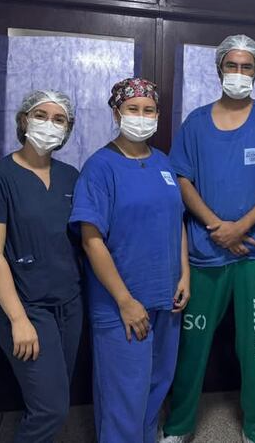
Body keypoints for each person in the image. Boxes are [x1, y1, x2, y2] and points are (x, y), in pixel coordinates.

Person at [162, 34, 255, 443]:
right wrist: (217, 227)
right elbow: (182, 180)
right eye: (232, 65)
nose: (239, 73)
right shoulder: (195, 124)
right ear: (219, 68)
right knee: (193, 344)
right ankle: (178, 425)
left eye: (246, 66)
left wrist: (240, 228)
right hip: (205, 252)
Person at [70, 78, 189, 443]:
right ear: (116, 113)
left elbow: (177, 221)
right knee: (124, 395)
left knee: (156, 385)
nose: (141, 116)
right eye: (133, 109)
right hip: (121, 303)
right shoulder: (100, 167)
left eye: (148, 110)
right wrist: (124, 300)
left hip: (166, 298)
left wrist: (184, 274)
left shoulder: (163, 163)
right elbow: (91, 240)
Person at [0, 89, 83, 442]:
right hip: (25, 306)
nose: (49, 124)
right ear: (23, 120)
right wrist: (19, 320)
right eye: (41, 115)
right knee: (51, 409)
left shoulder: (70, 177)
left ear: (68, 128)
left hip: (69, 303)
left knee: (54, 397)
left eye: (59, 119)